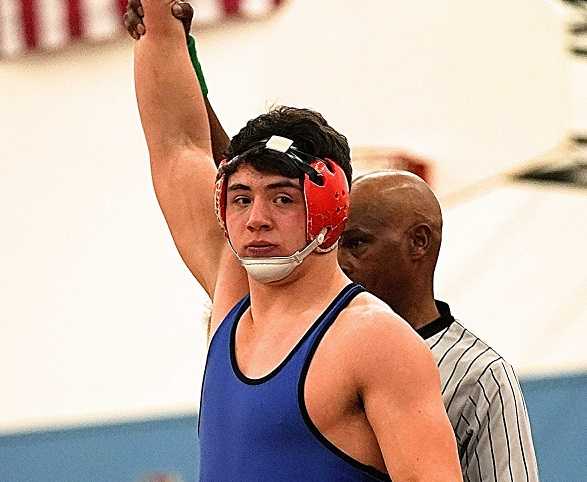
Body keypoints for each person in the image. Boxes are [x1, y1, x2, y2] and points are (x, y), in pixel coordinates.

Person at [131, 1, 463, 480]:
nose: (257, 220)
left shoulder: (374, 340)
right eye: (242, 199)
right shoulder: (233, 301)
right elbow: (177, 146)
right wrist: (159, 22)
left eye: (282, 200)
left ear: (331, 207)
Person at [338, 169, 540, 481]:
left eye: (356, 243)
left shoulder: (479, 375)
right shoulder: (315, 351)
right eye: (332, 245)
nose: (338, 262)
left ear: (419, 242)